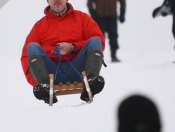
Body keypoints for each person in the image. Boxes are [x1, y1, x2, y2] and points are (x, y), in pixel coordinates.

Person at [20, 0, 106, 104]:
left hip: (79, 70)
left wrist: (74, 46)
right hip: (50, 72)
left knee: (95, 40)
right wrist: (36, 83)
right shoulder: (39, 26)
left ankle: (91, 82)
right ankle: (44, 87)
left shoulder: (82, 18)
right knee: (32, 47)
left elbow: (100, 42)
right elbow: (26, 56)